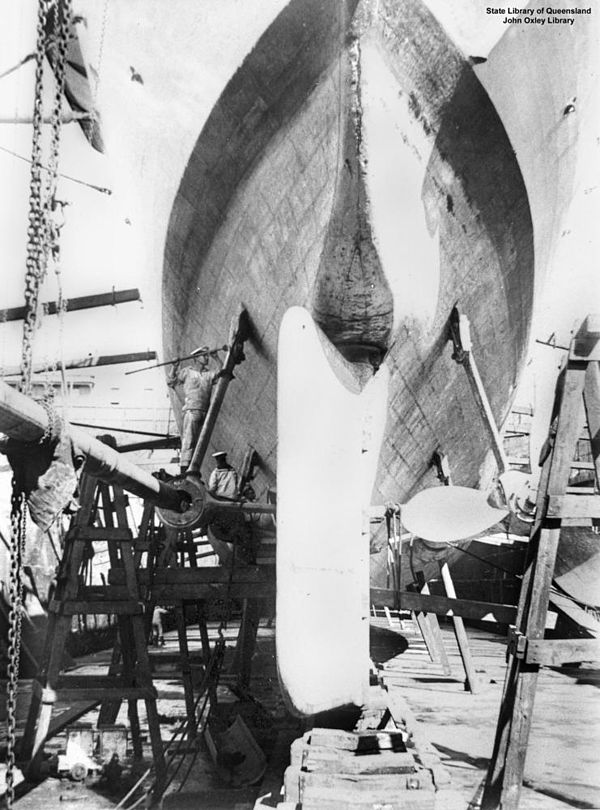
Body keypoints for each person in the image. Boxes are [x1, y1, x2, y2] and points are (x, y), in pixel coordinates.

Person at [167, 349, 222, 474]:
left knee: (199, 443)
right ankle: (184, 469)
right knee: (189, 440)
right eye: (204, 356)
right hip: (192, 411)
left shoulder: (209, 374)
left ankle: (193, 469)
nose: (206, 358)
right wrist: (174, 367)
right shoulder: (187, 372)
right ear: (196, 358)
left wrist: (216, 358)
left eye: (207, 356)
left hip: (205, 412)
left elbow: (223, 374)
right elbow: (171, 381)